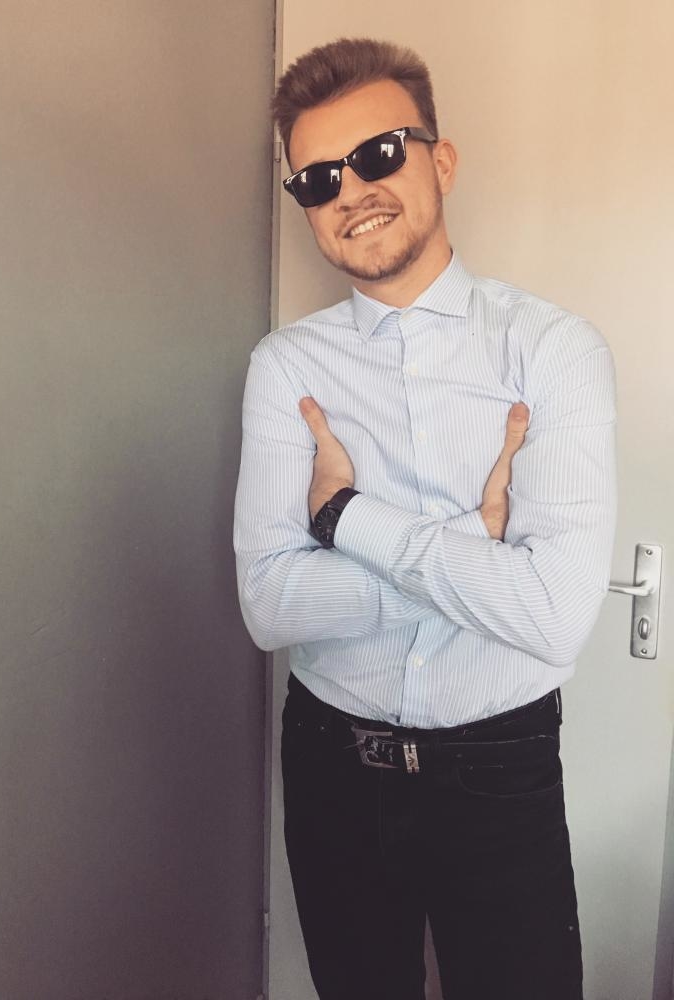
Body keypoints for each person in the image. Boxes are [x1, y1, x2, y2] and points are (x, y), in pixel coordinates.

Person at [234, 37, 616, 1000]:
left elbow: (553, 615)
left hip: (499, 765)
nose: (351, 191)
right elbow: (269, 606)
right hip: (332, 763)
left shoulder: (554, 352)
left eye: (378, 154)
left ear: (440, 161)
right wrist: (473, 551)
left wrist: (347, 517)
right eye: (318, 178)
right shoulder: (286, 368)